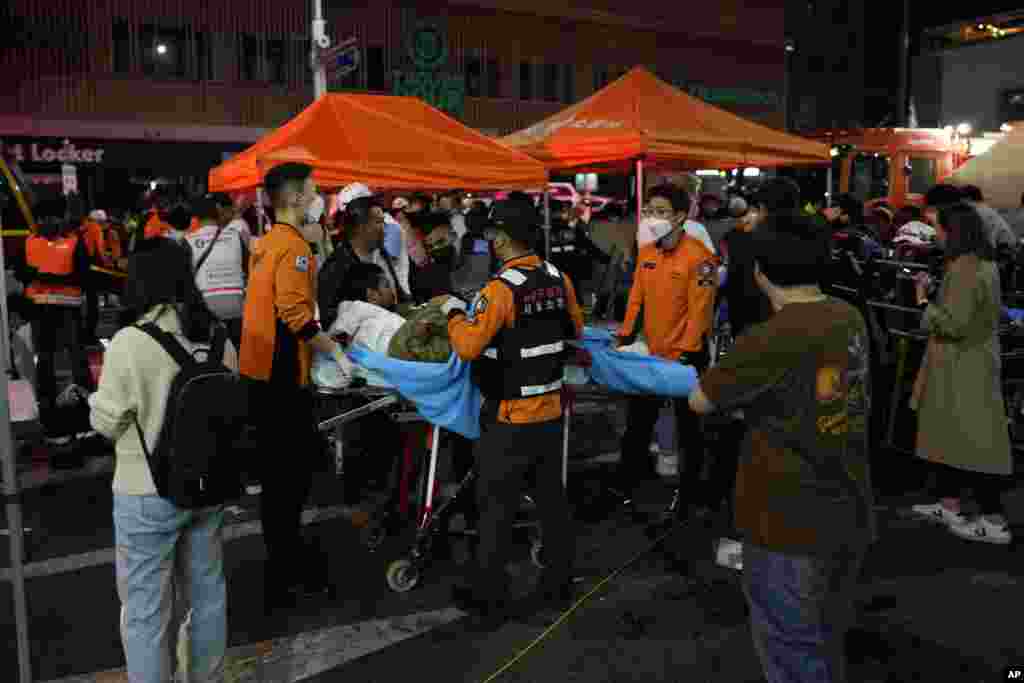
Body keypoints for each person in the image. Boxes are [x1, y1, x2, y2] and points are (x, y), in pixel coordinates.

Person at [688, 211, 876, 683]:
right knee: (825, 638)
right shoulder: (846, 316)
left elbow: (700, 399)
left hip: (786, 515)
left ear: (760, 272)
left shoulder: (770, 337)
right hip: (848, 502)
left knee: (791, 647)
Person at [89, 237, 235, 683]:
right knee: (207, 597)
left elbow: (108, 422)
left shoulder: (130, 342)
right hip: (209, 486)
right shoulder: (216, 335)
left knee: (147, 611)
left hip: (146, 493)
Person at [436, 200, 583, 619]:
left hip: (510, 417)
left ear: (500, 238)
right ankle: (557, 584)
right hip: (551, 412)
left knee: (496, 506)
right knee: (551, 500)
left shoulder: (500, 289)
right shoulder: (558, 277)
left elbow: (467, 347)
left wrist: (452, 313)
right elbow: (575, 328)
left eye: (491, 234)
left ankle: (488, 595)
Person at [239, 162, 347, 610]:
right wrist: (335, 353)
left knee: (279, 478)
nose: (319, 197)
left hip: (259, 372)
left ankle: (281, 559)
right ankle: (286, 570)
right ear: (298, 198)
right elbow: (296, 315)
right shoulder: (294, 247)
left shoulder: (266, 244)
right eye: (315, 190)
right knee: (290, 478)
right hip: (282, 377)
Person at [909, 202, 1013, 544]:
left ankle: (993, 520)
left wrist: (923, 300)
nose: (936, 234)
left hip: (961, 366)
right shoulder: (983, 265)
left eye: (939, 228)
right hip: (970, 364)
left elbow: (953, 324)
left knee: (975, 444)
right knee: (956, 438)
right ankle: (950, 503)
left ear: (955, 232)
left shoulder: (964, 269)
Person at [614, 184, 719, 516]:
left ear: (679, 216)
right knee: (638, 423)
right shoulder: (647, 252)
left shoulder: (701, 258)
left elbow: (700, 311)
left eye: (660, 212)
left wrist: (686, 353)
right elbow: (636, 298)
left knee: (689, 428)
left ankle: (691, 493)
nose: (651, 217)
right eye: (649, 211)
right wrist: (626, 334)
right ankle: (628, 483)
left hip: (687, 355)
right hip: (652, 351)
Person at [23, 215, 95, 440]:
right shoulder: (70, 241)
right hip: (59, 308)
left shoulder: (34, 241)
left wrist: (43, 279)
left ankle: (59, 415)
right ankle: (73, 413)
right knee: (68, 359)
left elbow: (21, 273)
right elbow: (84, 275)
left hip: (50, 308)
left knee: (54, 361)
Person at [319, 196, 406, 330]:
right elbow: (329, 319)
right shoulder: (337, 266)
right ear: (360, 227)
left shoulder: (382, 255)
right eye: (378, 222)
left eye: (384, 222)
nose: (385, 228)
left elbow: (398, 297)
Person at [184, 194, 249, 349]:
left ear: (196, 217)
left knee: (208, 353)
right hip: (235, 307)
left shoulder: (188, 241)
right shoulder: (235, 236)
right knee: (235, 351)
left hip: (205, 310)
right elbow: (249, 269)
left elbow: (184, 280)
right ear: (218, 211)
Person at [547, 199, 611, 305]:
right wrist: (604, 258)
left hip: (551, 270)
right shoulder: (571, 230)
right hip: (571, 269)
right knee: (574, 297)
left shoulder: (543, 231)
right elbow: (587, 245)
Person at [960, 184, 1016, 250]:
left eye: (960, 199)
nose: (959, 202)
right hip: (1006, 248)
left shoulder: (979, 212)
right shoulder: (983, 209)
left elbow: (989, 241)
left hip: (1005, 250)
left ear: (968, 198)